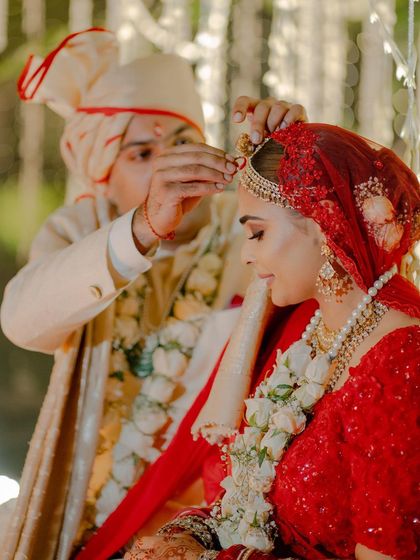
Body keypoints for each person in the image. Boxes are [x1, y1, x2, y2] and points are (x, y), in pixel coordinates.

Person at [0, 28, 306, 560]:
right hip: (83, 517)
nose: (170, 165)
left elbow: (334, 257)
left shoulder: (250, 233)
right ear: (106, 178)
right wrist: (142, 227)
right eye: (142, 153)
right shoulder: (81, 229)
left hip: (207, 529)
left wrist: (294, 157)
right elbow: (22, 322)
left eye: (182, 144)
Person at [124, 122, 420, 560]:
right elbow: (250, 508)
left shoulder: (401, 359)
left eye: (257, 232)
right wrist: (190, 538)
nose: (246, 254)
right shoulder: (316, 329)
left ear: (325, 224)